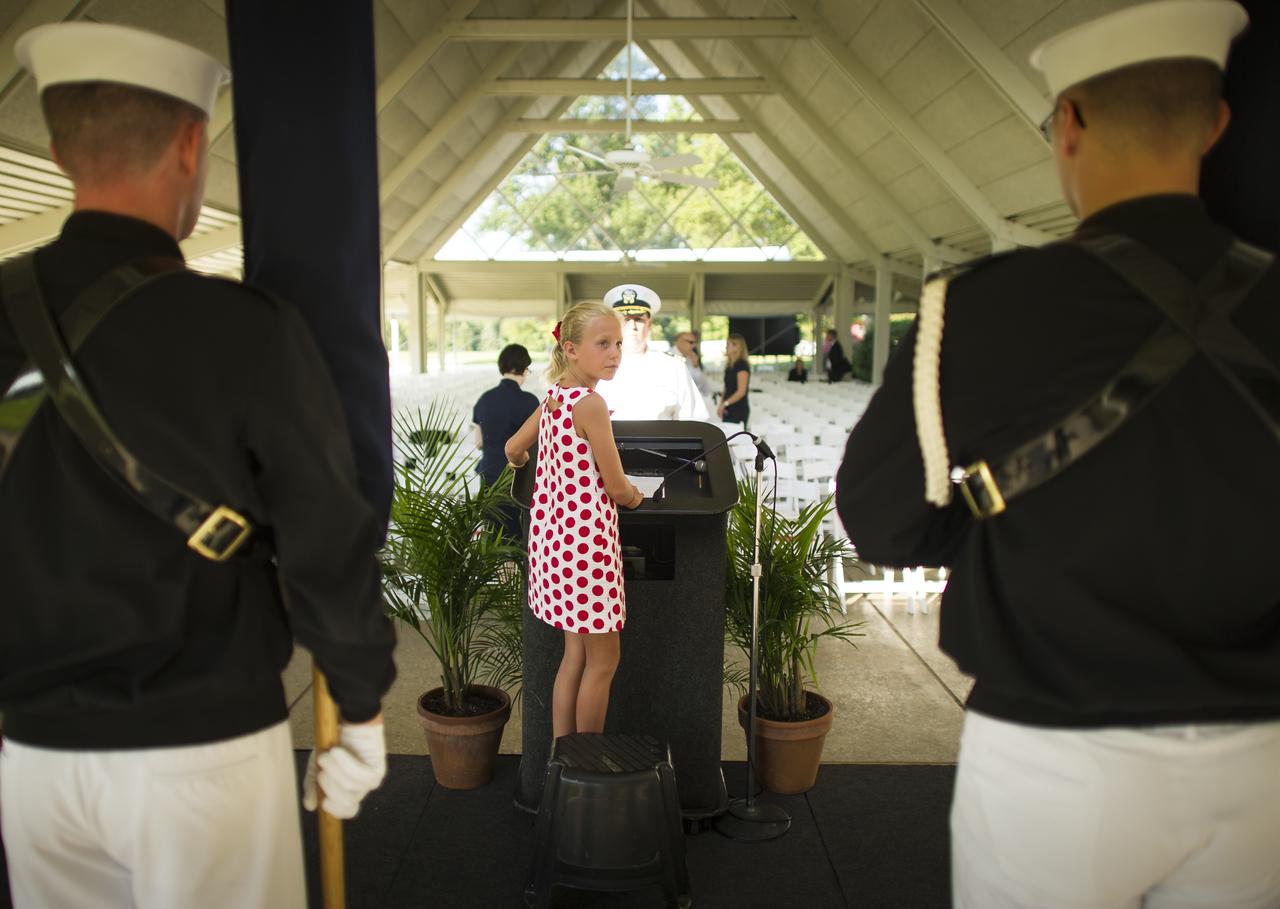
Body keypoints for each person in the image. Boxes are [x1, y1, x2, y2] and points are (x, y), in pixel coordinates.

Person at [836, 3, 1280, 907]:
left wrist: (1018, 529)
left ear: (1067, 123)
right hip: (1263, 748)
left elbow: (882, 515)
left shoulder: (982, 308)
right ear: (1217, 123)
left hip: (1058, 755)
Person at [0, 23, 396, 909]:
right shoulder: (243, 330)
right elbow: (324, 540)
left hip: (30, 758)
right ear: (190, 144)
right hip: (202, 751)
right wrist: (362, 707)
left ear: (60, 148)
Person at [504, 302, 644, 738]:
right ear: (571, 349)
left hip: (553, 548)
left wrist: (531, 462)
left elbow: (512, 449)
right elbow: (618, 488)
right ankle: (587, 761)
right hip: (588, 550)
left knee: (574, 657)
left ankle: (561, 760)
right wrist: (638, 495)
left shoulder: (553, 399)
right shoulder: (590, 404)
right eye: (603, 344)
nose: (614, 353)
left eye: (618, 343)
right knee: (604, 661)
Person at [594, 283, 710, 421]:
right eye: (625, 320)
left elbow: (695, 421)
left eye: (639, 319)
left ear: (649, 324)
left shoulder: (673, 367)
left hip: (661, 442)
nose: (632, 326)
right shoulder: (596, 367)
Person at [472, 343, 539, 538]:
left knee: (494, 537)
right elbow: (537, 445)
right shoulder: (529, 402)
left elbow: (478, 442)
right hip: (517, 479)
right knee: (519, 537)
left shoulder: (484, 399)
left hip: (489, 475)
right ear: (525, 368)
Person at [717, 332, 751, 426]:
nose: (726, 347)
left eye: (729, 344)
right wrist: (721, 404)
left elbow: (741, 391)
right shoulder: (730, 366)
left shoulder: (742, 365)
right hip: (728, 407)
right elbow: (726, 387)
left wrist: (725, 404)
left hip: (738, 409)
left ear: (737, 347)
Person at [673, 329, 712, 396]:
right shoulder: (668, 357)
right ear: (680, 342)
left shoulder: (691, 357)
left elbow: (702, 385)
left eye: (696, 342)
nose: (694, 346)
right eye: (691, 342)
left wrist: (695, 366)